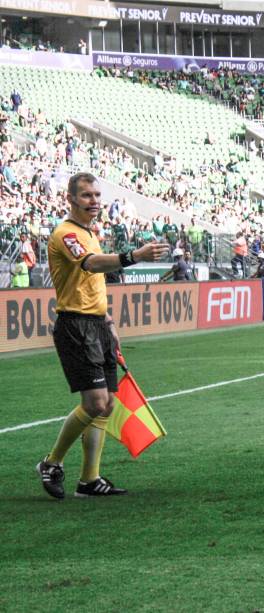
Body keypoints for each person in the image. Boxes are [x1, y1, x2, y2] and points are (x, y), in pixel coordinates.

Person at [36, 172, 168, 499]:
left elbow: (93, 285)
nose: (94, 201)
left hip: (97, 325)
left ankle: (89, 480)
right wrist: (133, 256)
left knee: (107, 405)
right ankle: (51, 463)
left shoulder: (89, 232)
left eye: (96, 195)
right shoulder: (66, 234)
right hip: (75, 326)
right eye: (86, 196)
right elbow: (91, 265)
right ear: (71, 199)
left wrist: (109, 323)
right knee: (95, 401)